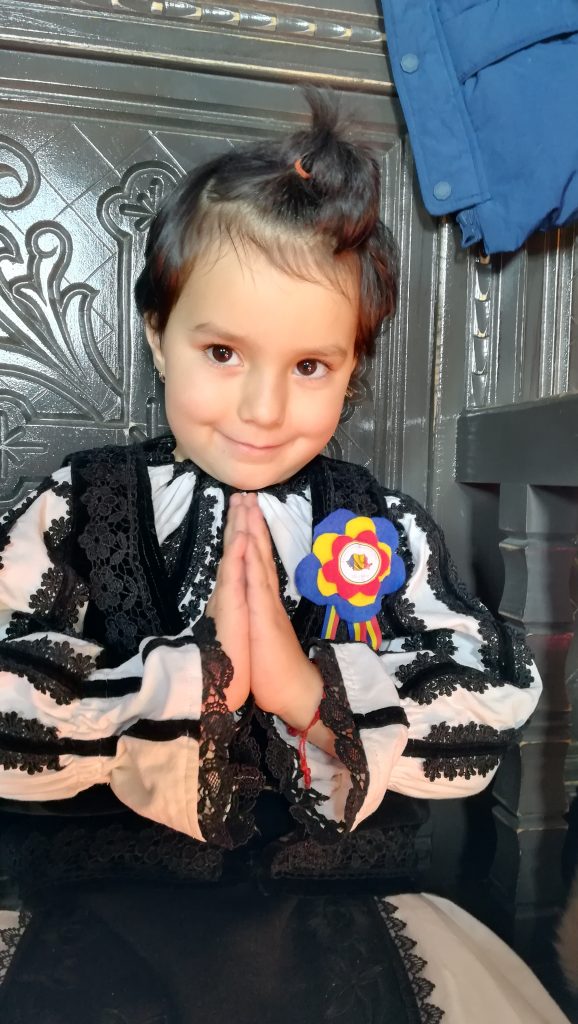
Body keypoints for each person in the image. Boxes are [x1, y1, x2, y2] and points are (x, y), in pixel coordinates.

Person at [0, 90, 568, 1023]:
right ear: (158, 334)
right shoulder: (78, 501)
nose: (263, 410)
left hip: (338, 903)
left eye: (310, 367)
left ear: (351, 367)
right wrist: (197, 681)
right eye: (224, 352)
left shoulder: (379, 521)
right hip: (105, 903)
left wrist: (303, 688)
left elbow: (486, 702)